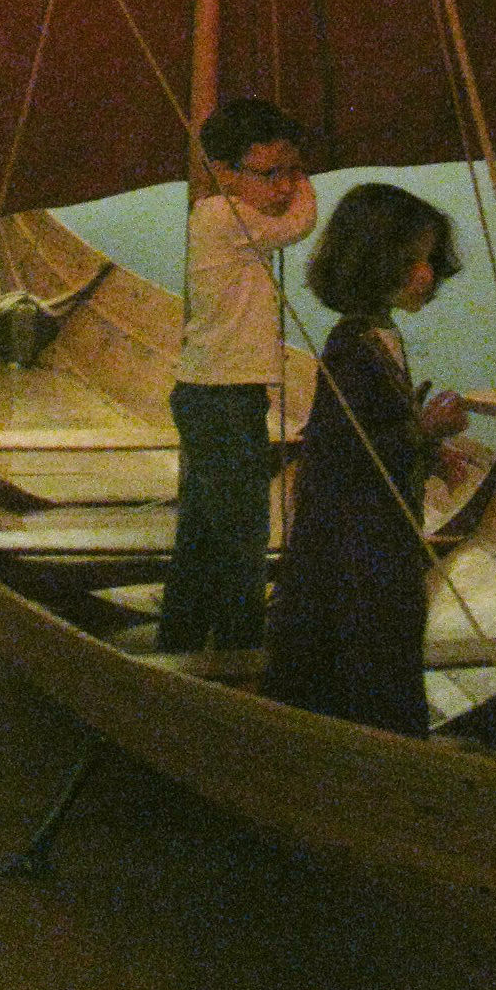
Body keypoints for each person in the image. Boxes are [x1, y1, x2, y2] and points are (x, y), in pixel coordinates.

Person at [262, 182, 469, 735]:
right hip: (355, 545)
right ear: (376, 261)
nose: (427, 274)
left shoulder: (379, 337)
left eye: (429, 260)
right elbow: (346, 455)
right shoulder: (351, 347)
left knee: (384, 639)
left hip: (378, 534)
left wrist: (430, 451)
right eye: (413, 260)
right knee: (369, 646)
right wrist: (425, 430)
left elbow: (376, 438)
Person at [155, 97, 317, 654]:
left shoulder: (226, 213)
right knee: (242, 538)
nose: (282, 187)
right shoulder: (223, 214)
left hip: (220, 396)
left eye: (289, 172)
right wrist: (307, 184)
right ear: (222, 172)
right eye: (270, 173)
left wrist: (288, 173)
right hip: (220, 400)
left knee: (203, 534)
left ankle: (179, 641)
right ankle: (239, 655)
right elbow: (299, 224)